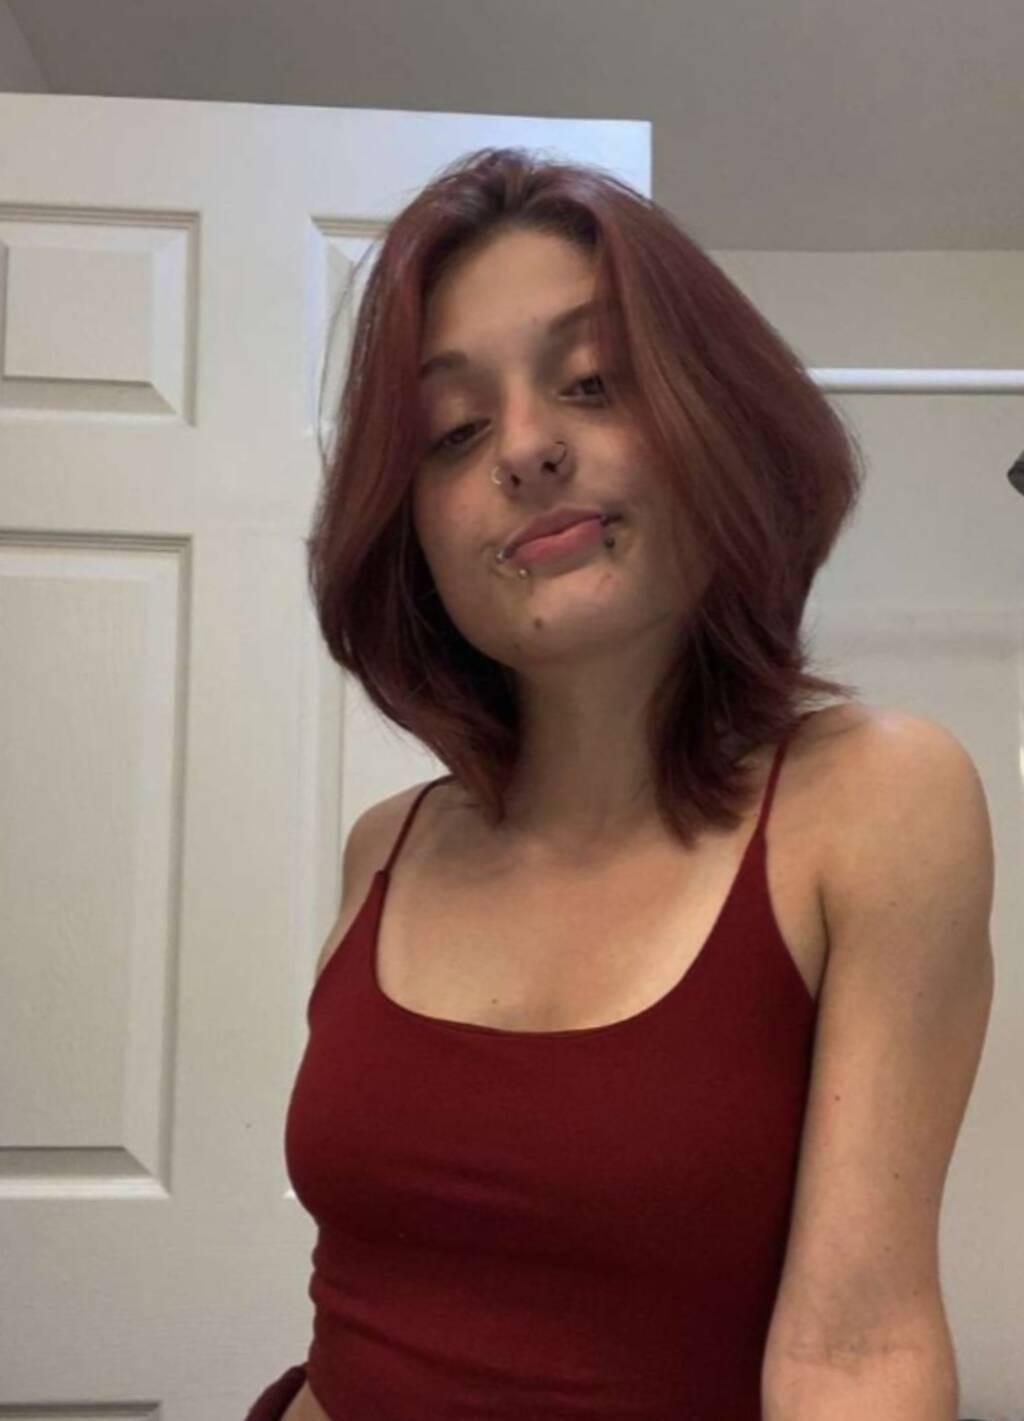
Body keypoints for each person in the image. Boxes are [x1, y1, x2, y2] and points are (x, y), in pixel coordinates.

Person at [245, 148, 993, 1421]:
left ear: (719, 423)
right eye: (453, 430)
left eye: (592, 381)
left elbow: (857, 1351)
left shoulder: (875, 797)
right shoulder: (387, 844)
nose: (527, 447)